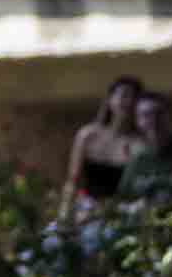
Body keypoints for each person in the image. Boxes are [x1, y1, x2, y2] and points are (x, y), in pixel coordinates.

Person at [57, 75, 146, 222]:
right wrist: (64, 217)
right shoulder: (88, 135)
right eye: (123, 95)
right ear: (111, 99)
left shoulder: (140, 144)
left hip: (123, 214)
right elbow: (73, 181)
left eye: (134, 97)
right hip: (87, 212)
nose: (128, 102)